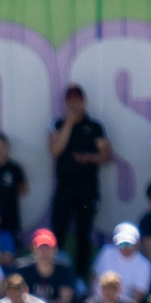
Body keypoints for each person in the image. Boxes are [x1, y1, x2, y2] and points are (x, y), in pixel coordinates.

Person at [49, 83, 113, 277]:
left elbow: (107, 155)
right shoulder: (57, 124)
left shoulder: (94, 126)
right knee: (57, 232)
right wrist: (69, 123)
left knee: (83, 234)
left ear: (84, 101)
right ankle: (54, 274)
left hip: (87, 188)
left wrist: (88, 158)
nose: (75, 104)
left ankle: (80, 276)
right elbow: (55, 149)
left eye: (78, 100)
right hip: (64, 188)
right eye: (71, 101)